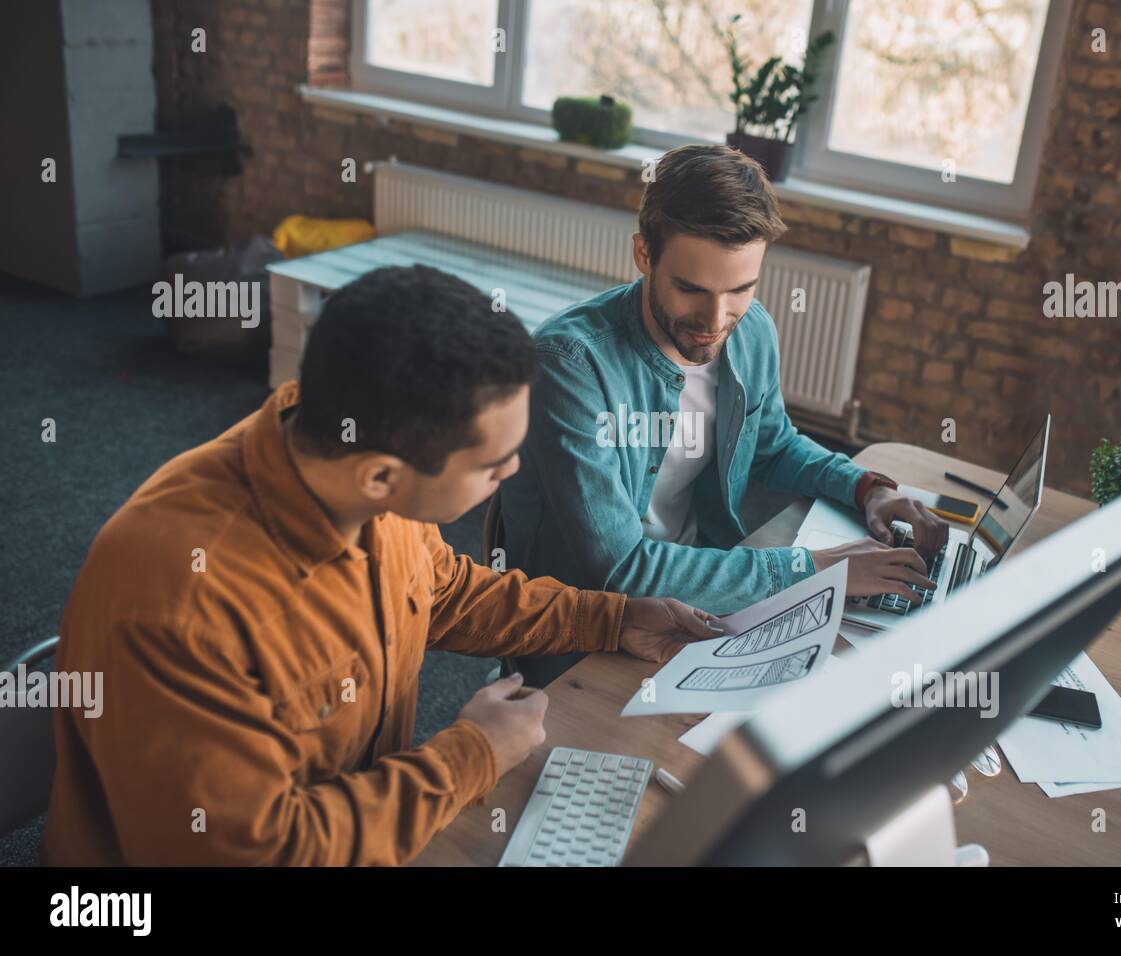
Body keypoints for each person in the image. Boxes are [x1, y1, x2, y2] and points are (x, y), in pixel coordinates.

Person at [40, 265, 718, 866]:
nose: (514, 470)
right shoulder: (179, 606)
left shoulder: (351, 462)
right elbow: (260, 851)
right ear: (380, 478)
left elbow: (448, 595)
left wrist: (613, 617)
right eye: (491, 464)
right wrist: (470, 755)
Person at [499, 144, 946, 685]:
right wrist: (819, 570)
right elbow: (621, 569)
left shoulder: (751, 329)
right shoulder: (569, 364)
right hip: (589, 633)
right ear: (644, 255)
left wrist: (866, 488)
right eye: (690, 289)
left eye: (740, 288)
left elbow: (773, 443)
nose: (716, 319)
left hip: (708, 594)